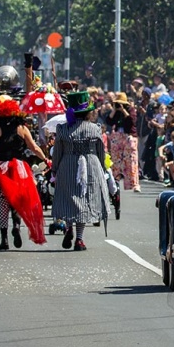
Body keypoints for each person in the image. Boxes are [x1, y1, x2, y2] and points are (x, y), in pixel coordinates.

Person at [0, 97, 48, 250]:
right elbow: (34, 148)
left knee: (3, 203)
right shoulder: (22, 127)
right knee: (18, 200)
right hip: (19, 168)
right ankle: (17, 226)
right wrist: (46, 159)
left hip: (1, 168)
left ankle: (4, 239)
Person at [52, 90, 111, 251]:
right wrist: (103, 168)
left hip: (67, 164)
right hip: (91, 165)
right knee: (85, 200)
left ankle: (69, 227)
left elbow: (57, 151)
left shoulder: (63, 129)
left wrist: (54, 169)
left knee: (70, 198)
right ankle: (79, 238)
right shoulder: (95, 128)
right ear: (87, 112)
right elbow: (100, 151)